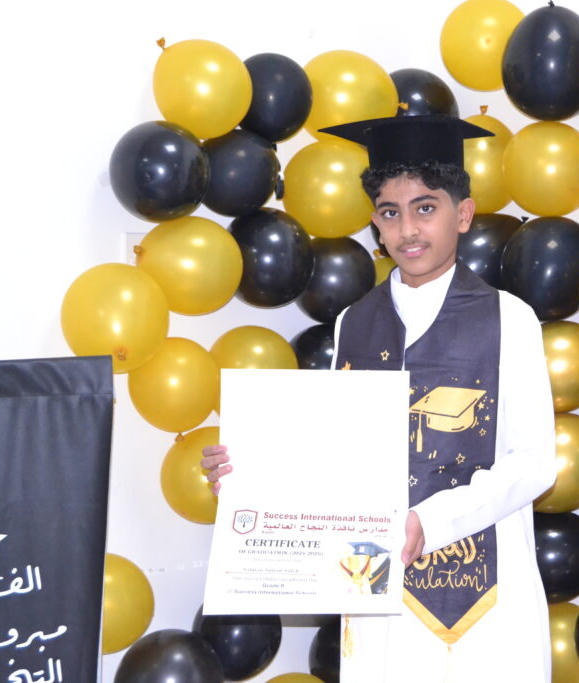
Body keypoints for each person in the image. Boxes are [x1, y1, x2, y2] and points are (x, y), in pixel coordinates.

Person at [202, 115, 556, 682]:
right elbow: (338, 457)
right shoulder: (354, 322)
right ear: (375, 224)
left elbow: (534, 464)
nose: (408, 229)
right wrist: (248, 478)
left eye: (425, 208)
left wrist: (430, 522)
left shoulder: (509, 319)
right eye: (390, 213)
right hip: (373, 594)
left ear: (463, 214)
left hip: (487, 602)